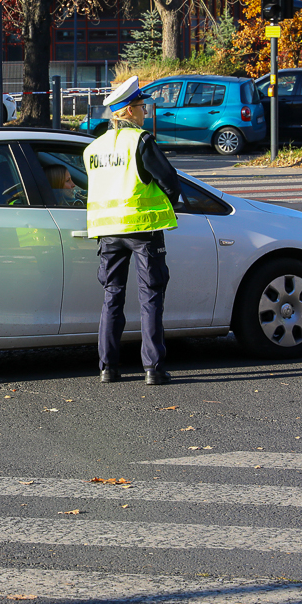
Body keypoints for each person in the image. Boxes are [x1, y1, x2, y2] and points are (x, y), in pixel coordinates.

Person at [84, 76, 183, 386]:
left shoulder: (94, 148)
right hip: (143, 228)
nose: (144, 111)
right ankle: (153, 368)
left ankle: (107, 368)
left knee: (112, 296)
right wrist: (171, 199)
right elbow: (170, 181)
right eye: (140, 106)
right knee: (151, 297)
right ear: (127, 111)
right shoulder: (140, 141)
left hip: (108, 231)